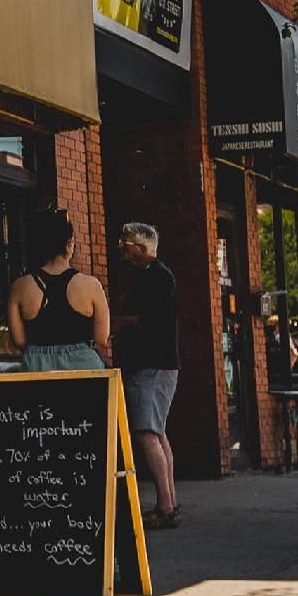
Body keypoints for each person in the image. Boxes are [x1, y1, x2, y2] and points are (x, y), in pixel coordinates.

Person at [114, 222, 181, 529]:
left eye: (125, 243)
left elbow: (151, 322)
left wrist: (120, 323)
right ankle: (169, 501)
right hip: (159, 364)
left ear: (140, 249)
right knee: (157, 431)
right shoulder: (155, 276)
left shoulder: (155, 278)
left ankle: (166, 506)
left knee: (146, 432)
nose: (120, 247)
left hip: (151, 366)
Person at [6, 206, 110, 372]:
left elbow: (18, 341)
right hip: (83, 366)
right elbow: (101, 338)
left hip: (37, 367)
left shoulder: (19, 287)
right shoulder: (91, 286)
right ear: (70, 244)